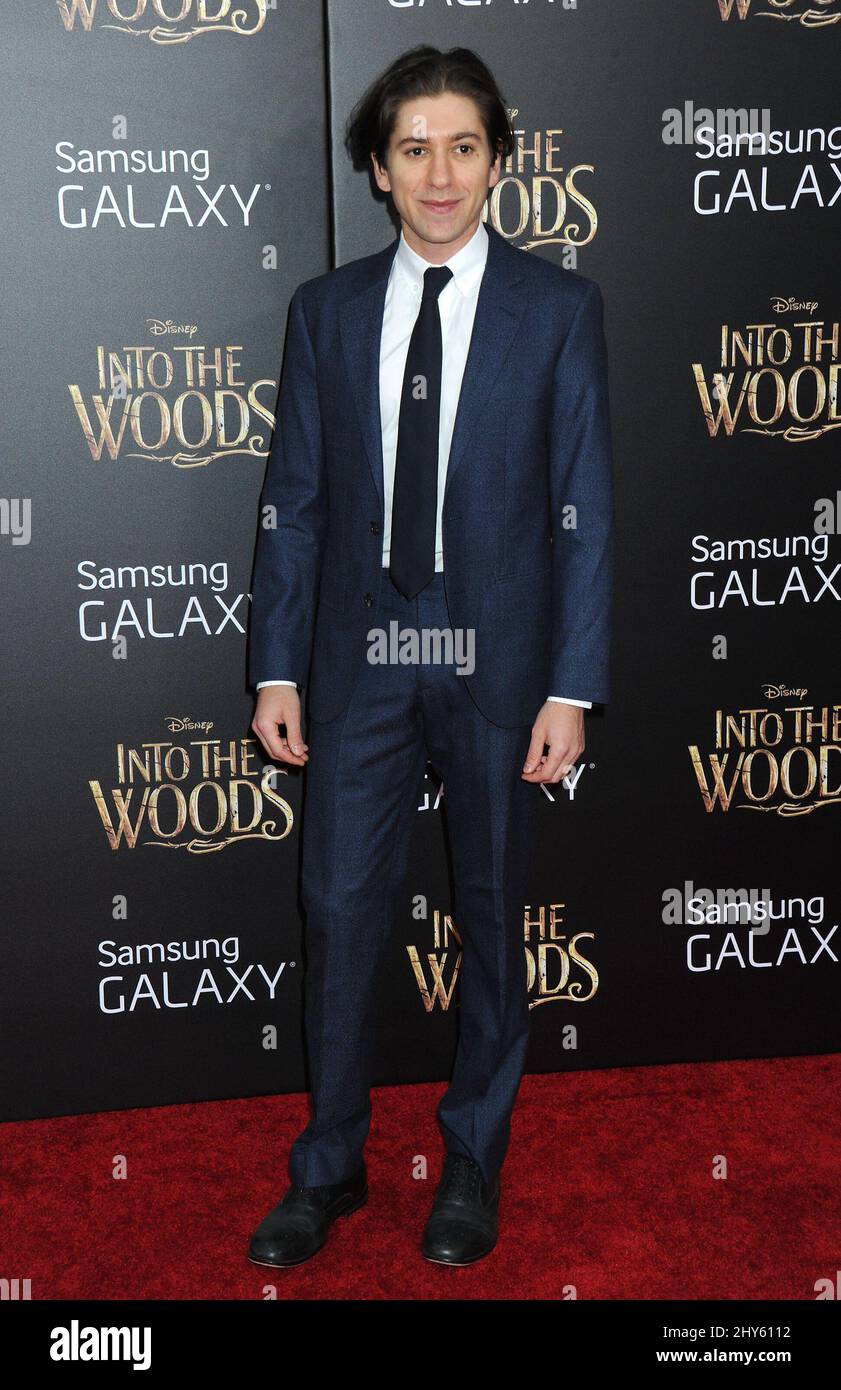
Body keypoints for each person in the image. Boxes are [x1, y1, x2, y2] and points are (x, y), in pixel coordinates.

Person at [247, 44, 614, 1268]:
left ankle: (471, 1157)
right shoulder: (327, 310)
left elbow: (585, 502)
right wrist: (277, 667)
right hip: (360, 654)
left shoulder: (559, 308)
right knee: (339, 906)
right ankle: (330, 1166)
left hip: (498, 651)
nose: (440, 172)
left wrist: (573, 680)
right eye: (414, 148)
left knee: (494, 908)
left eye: (463, 146)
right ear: (377, 168)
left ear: (498, 163)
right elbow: (293, 500)